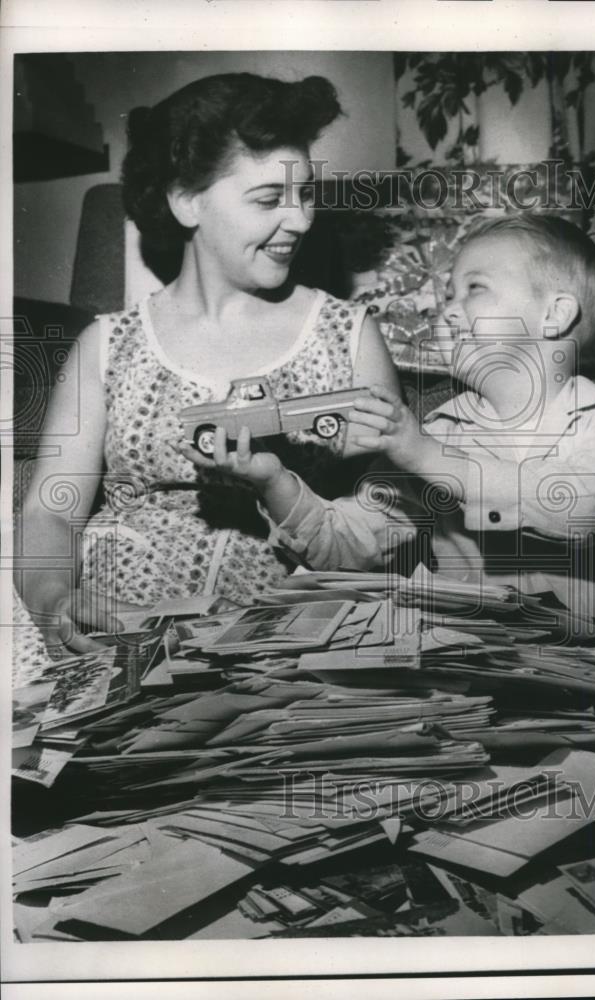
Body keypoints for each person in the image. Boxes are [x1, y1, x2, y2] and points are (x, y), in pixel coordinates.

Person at [14, 72, 398, 656]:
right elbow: (51, 507)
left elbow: (389, 518)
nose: (300, 220)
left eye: (306, 194)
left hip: (288, 650)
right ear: (186, 201)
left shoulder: (349, 337)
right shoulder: (106, 345)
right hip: (115, 637)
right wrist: (53, 601)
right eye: (270, 199)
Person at [195, 215, 595, 628]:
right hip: (470, 680)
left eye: (475, 288)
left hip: (587, 685)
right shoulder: (438, 431)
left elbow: (581, 509)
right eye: (446, 296)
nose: (448, 310)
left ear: (554, 315)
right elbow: (347, 549)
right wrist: (273, 479)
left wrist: (424, 455)